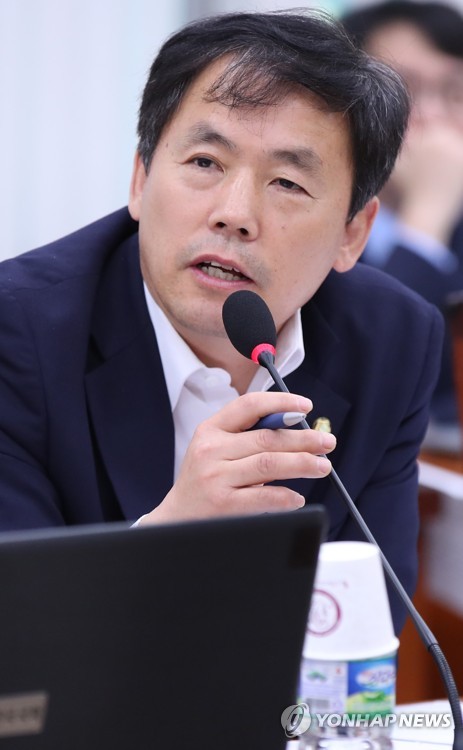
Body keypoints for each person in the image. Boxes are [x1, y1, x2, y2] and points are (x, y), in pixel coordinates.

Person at [0, 10, 443, 633]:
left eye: (287, 182)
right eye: (206, 162)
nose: (234, 214)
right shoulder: (17, 332)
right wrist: (168, 536)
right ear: (140, 178)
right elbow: (17, 637)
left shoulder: (394, 340)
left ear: (352, 233)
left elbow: (367, 623)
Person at [342, 0, 463, 447]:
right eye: (402, 89)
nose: (430, 115)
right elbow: (362, 380)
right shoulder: (305, 221)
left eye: (453, 92)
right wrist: (426, 216)